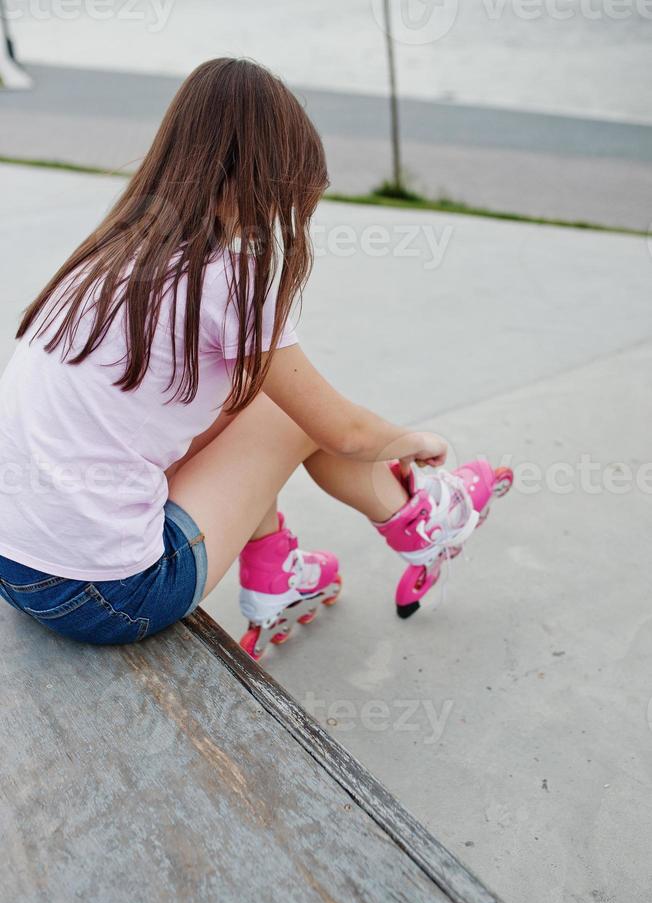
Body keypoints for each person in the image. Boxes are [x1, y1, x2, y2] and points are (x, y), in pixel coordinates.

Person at [0, 58, 491, 657]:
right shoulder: (221, 278)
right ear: (270, 174)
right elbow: (345, 432)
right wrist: (414, 441)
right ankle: (423, 521)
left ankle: (278, 568)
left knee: (253, 399)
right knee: (288, 416)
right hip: (108, 595)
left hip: (18, 567)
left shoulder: (109, 253)